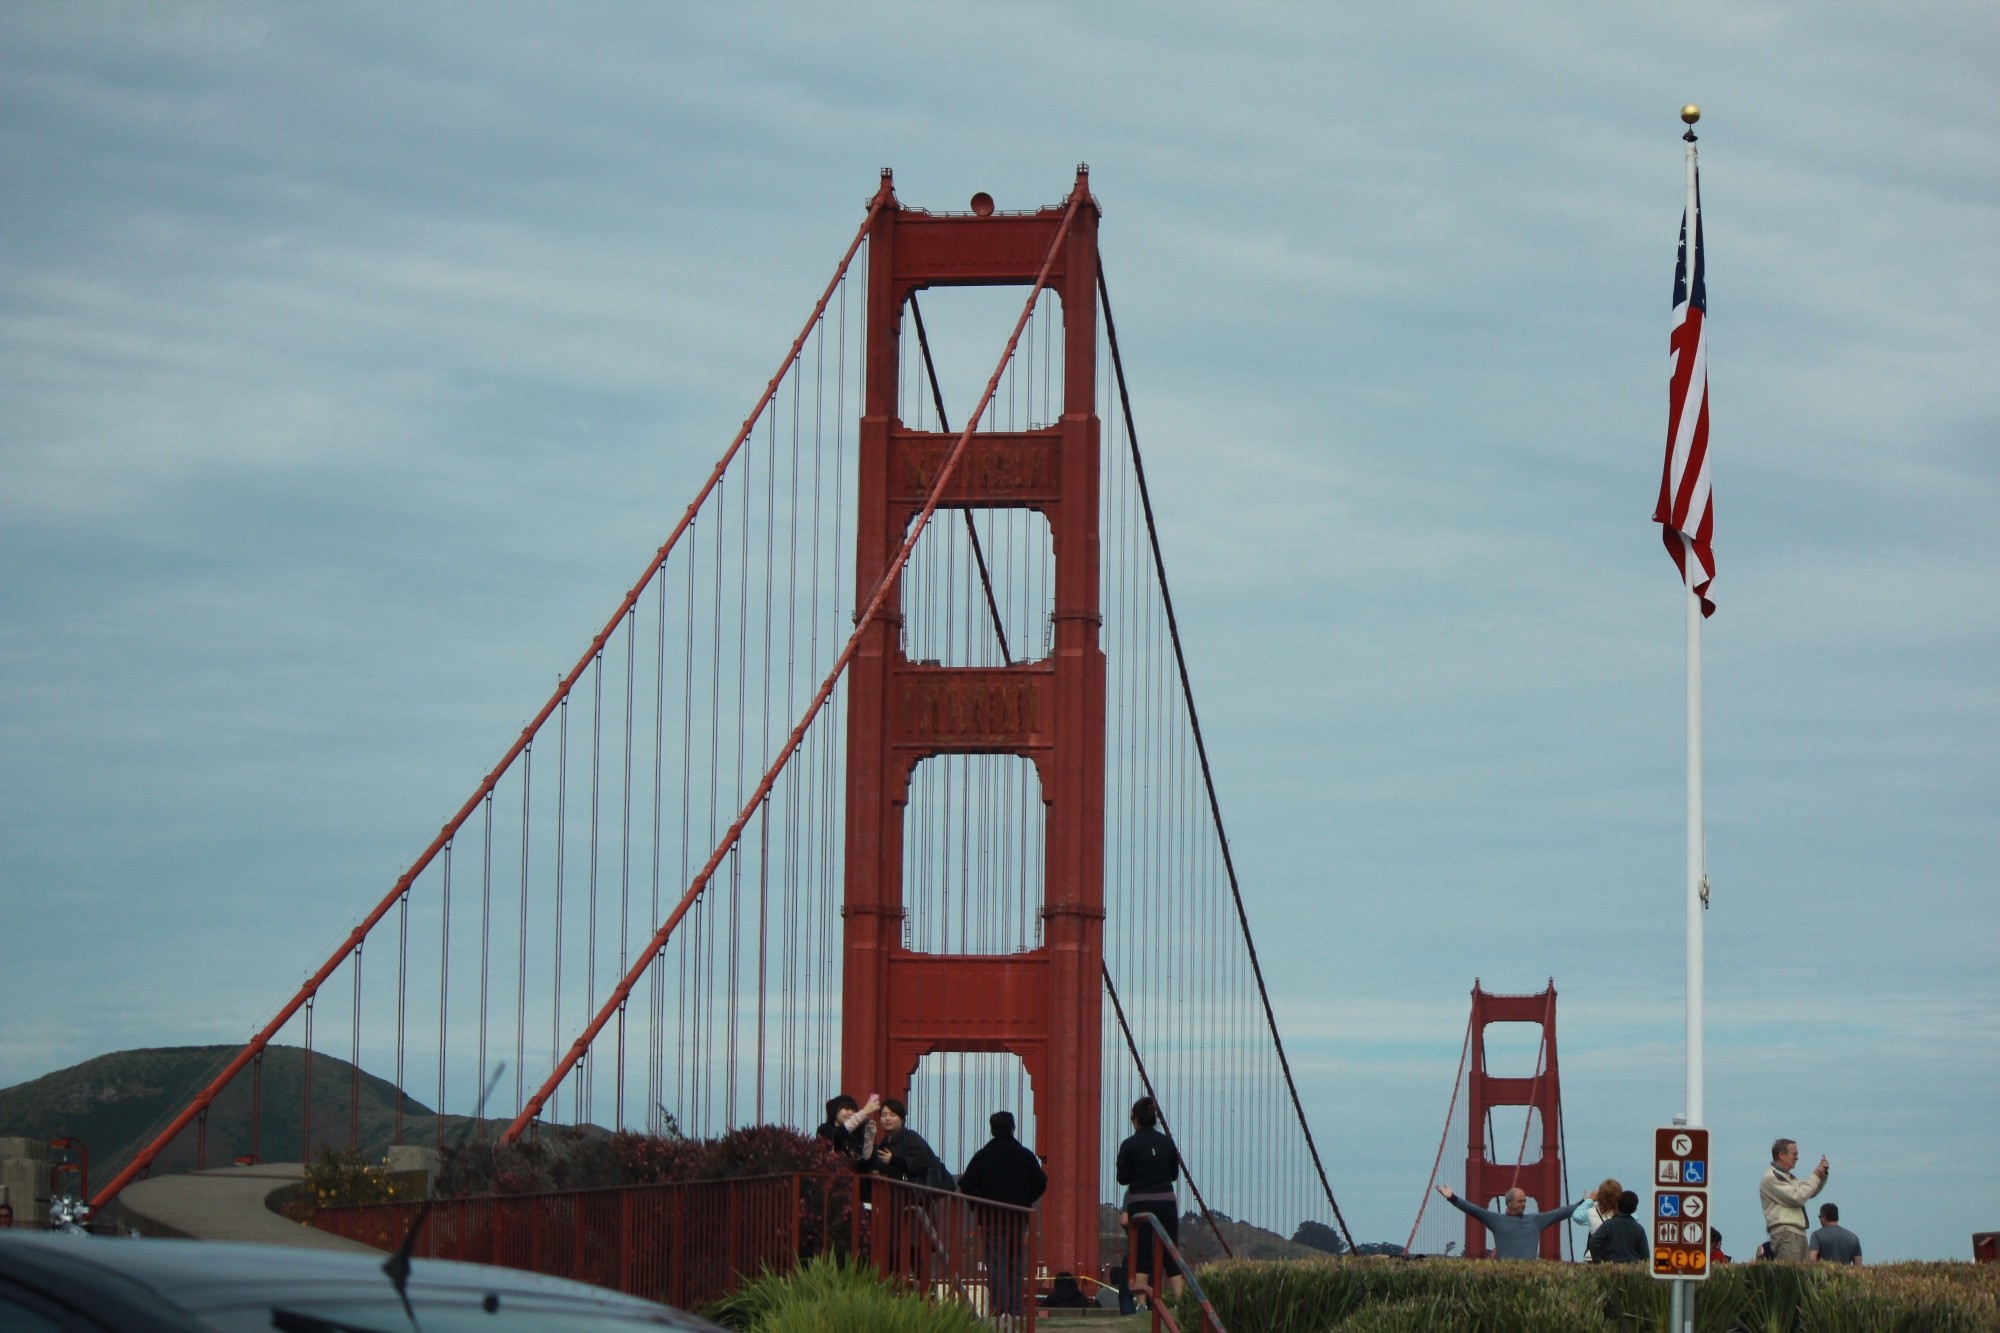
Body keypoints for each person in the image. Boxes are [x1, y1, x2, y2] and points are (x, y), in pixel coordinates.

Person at [958, 1111, 1047, 1318]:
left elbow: (966, 1184)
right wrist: (1026, 1200)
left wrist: (977, 1205)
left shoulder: (983, 1155)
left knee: (996, 1261)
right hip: (1018, 1215)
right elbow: (1041, 1182)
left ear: (991, 1130)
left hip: (991, 1216)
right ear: (1012, 1129)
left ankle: (1000, 1308)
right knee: (1015, 1262)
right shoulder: (1024, 1155)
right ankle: (1016, 1308)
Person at [1116, 1096, 1184, 1306]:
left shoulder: (1129, 1145)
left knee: (1143, 1255)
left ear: (1135, 1119)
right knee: (1170, 1254)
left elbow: (1123, 1178)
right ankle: (1182, 1303)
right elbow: (1173, 1175)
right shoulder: (1168, 1142)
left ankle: (1141, 1304)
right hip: (1166, 1202)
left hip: (1141, 1204)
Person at [1435, 1183, 1584, 1260]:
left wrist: (1584, 1202)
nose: (1524, 1204)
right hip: (1505, 1278)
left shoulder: (1536, 1221)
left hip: (1530, 1278)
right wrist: (1452, 1198)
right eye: (1520, 1201)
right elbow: (1473, 1210)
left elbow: (1560, 1213)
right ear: (1509, 1203)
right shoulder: (1496, 1221)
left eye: (1525, 1201)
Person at [1759, 1138, 1828, 1261]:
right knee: (1791, 1275)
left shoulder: (1788, 1177)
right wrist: (1816, 1176)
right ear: (1781, 1155)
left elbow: (1809, 1191)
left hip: (1797, 1233)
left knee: (1802, 1276)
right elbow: (1798, 1197)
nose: (1797, 1158)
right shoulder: (1772, 1177)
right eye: (1794, 1154)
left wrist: (1822, 1176)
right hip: (1786, 1233)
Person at [870, 1098, 953, 1190]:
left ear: (902, 1120)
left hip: (912, 1197)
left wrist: (894, 1160)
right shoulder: (884, 1143)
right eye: (883, 1115)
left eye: (892, 1115)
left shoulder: (910, 1137)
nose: (887, 1118)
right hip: (891, 1195)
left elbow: (923, 1161)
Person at [815, 1092, 880, 1167]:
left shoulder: (857, 1133)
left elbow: (865, 1161)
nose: (851, 1113)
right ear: (835, 1110)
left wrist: (869, 1136)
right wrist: (864, 1112)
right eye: (846, 1109)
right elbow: (838, 1136)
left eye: (853, 1110)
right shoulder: (825, 1129)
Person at [1585, 1190, 1649, 1264]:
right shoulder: (1639, 1229)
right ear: (1634, 1209)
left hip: (1610, 1266)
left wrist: (1598, 1261)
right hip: (1632, 1269)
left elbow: (1594, 1243)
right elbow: (1645, 1255)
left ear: (1618, 1205)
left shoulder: (1608, 1225)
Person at [1570, 1178, 1622, 1248]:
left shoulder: (1592, 1212)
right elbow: (1635, 1217)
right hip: (1616, 1252)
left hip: (1594, 1254)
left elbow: (1576, 1216)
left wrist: (1589, 1200)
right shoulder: (1623, 1214)